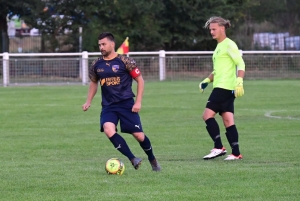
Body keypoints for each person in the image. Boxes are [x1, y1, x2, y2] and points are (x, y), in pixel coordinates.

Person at [82, 32, 161, 171]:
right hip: (108, 106)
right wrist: (88, 101)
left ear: (112, 44)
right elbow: (94, 83)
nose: (101, 47)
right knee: (108, 129)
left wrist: (138, 102)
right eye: (99, 44)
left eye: (104, 44)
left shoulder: (125, 61)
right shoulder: (96, 64)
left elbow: (140, 80)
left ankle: (152, 159)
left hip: (126, 104)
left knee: (139, 135)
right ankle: (133, 159)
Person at [199, 16, 245, 160]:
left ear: (222, 28)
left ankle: (218, 147)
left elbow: (241, 63)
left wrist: (239, 80)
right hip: (224, 87)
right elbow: (218, 70)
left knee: (207, 116)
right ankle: (236, 153)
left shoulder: (229, 44)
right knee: (228, 121)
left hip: (223, 88)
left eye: (214, 29)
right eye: (210, 30)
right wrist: (207, 80)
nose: (211, 32)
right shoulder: (219, 46)